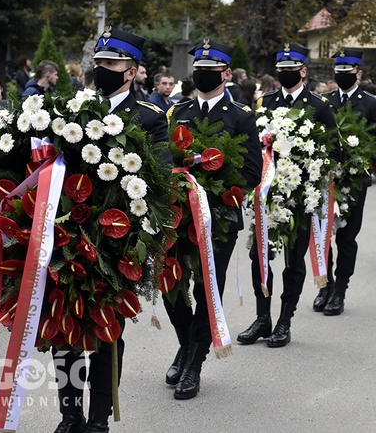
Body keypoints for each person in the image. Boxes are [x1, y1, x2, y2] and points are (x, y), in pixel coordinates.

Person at [53, 26, 173, 433]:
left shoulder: (150, 118)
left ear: (131, 71)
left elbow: (159, 181)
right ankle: (69, 415)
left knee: (106, 332)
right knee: (64, 328)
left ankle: (98, 418)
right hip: (68, 237)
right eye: (98, 62)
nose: (100, 68)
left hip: (116, 243)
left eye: (111, 63)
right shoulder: (74, 110)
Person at [163, 40, 262, 400]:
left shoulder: (241, 116)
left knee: (206, 290)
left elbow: (252, 171)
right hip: (177, 215)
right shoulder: (178, 111)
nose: (202, 73)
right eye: (198, 68)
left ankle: (195, 364)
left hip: (217, 218)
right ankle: (185, 344)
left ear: (224, 74)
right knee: (170, 287)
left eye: (211, 69)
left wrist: (211, 184)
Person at [237, 42, 338, 347]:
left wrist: (306, 163)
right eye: (280, 68)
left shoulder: (318, 106)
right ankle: (262, 318)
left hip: (298, 194)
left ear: (303, 71)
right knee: (259, 256)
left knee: (293, 261)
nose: (284, 72)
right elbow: (252, 143)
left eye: (291, 68)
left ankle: (285, 320)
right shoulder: (265, 102)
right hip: (267, 195)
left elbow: (333, 151)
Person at [314, 48, 376, 315]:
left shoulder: (371, 103)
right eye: (338, 73)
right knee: (322, 235)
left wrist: (363, 159)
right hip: (325, 180)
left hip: (354, 181)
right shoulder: (324, 101)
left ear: (358, 74)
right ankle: (325, 285)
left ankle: (340, 290)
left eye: (347, 73)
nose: (342, 76)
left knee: (346, 238)